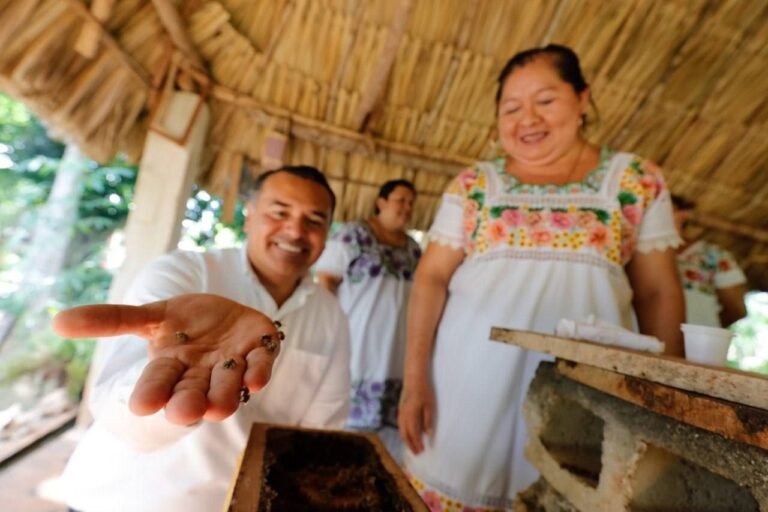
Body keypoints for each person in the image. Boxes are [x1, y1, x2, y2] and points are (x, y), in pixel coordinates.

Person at [398, 44, 685, 511]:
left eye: (545, 101)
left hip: (582, 405)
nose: (527, 118)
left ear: (583, 99)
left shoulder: (635, 181)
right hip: (462, 395)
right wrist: (414, 383)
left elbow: (657, 291)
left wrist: (664, 403)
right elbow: (430, 279)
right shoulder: (474, 185)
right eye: (511, 108)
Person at [54, 166, 351, 512]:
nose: (296, 230)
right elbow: (114, 412)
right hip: (119, 498)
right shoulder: (182, 273)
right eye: (279, 212)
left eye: (314, 220)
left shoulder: (332, 318)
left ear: (328, 233)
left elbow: (317, 436)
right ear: (249, 215)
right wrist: (170, 388)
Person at [315, 179, 421, 460]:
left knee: (386, 445)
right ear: (381, 202)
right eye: (401, 200)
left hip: (397, 348)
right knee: (344, 437)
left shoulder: (413, 248)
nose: (407, 207)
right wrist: (329, 333)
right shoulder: (355, 234)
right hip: (356, 341)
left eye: (411, 202)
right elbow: (326, 280)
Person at [672, 194, 748, 327]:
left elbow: (736, 310)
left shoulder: (714, 255)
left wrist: (703, 328)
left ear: (682, 214)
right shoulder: (635, 253)